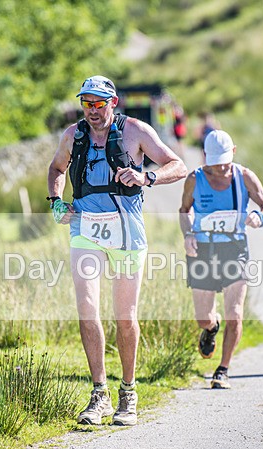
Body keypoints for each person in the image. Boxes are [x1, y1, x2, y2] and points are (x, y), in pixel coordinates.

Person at [47, 75, 187, 425]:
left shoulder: (135, 131)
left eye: (99, 103)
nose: (92, 110)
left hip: (126, 231)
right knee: (87, 308)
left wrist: (146, 178)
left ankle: (128, 393)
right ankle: (99, 395)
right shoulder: (73, 135)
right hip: (86, 230)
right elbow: (56, 168)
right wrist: (56, 202)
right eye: (86, 103)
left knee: (125, 317)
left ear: (113, 102)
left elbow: (178, 165)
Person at [179, 130, 263, 389]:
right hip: (203, 250)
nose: (220, 168)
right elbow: (184, 211)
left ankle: (223, 370)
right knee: (202, 317)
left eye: (224, 161)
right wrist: (188, 234)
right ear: (204, 157)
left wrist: (260, 218)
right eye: (214, 162)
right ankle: (211, 327)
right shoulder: (194, 179)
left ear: (233, 152)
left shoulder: (244, 177)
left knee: (235, 313)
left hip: (234, 249)